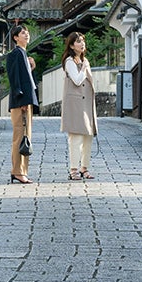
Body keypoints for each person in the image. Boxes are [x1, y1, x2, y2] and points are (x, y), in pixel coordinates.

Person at [60, 31, 97, 180]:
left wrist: (84, 65)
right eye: (78, 41)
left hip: (86, 103)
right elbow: (76, 80)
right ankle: (73, 169)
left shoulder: (84, 60)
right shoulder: (69, 61)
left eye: (82, 41)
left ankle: (84, 167)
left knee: (88, 136)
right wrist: (83, 67)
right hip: (75, 104)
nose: (82, 44)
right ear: (71, 45)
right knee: (75, 137)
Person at [5, 24, 38, 184]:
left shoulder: (24, 55)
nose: (26, 35)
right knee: (20, 136)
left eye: (27, 32)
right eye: (23, 33)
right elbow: (14, 79)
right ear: (15, 37)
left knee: (26, 137)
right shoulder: (15, 54)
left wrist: (31, 67)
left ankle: (23, 171)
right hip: (21, 102)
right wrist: (22, 99)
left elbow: (28, 80)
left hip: (26, 101)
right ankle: (17, 171)